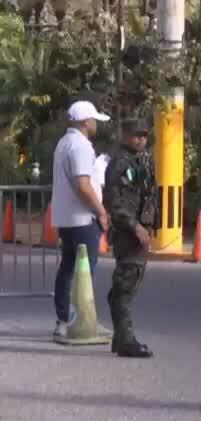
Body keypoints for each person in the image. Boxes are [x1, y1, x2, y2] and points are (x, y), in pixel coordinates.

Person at [50, 100, 112, 339]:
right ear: (86, 122)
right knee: (85, 273)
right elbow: (83, 186)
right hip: (83, 219)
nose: (96, 123)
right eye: (94, 119)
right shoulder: (80, 146)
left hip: (66, 218)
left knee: (67, 269)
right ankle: (83, 322)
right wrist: (101, 212)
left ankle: (64, 320)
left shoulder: (64, 143)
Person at [103, 118, 157, 358]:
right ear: (124, 135)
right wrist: (136, 228)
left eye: (144, 135)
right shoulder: (119, 163)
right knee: (125, 286)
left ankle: (120, 337)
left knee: (129, 283)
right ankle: (126, 340)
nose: (141, 139)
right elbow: (116, 202)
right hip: (128, 232)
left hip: (139, 229)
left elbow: (147, 194)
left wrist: (150, 225)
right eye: (136, 135)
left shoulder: (141, 159)